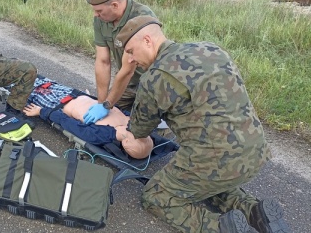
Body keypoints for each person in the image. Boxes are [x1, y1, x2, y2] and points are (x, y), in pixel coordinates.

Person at [114, 15, 290, 233]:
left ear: (148, 41)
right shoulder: (211, 50)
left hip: (216, 159)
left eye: (130, 51)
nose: (129, 60)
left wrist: (123, 132)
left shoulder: (154, 77)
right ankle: (256, 212)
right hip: (255, 151)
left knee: (156, 196)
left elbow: (139, 130)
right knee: (209, 184)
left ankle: (221, 227)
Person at [83, 0, 158, 125]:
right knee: (110, 120)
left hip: (152, 84)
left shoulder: (141, 18)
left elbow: (128, 69)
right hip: (128, 84)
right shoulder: (101, 19)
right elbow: (103, 61)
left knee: (142, 134)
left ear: (115, 6)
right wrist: (102, 102)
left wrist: (107, 105)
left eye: (99, 11)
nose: (95, 15)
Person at [23, 95, 153, 159]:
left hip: (56, 102)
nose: (140, 131)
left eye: (139, 135)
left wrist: (42, 112)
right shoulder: (129, 120)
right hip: (75, 94)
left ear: (126, 142)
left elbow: (67, 123)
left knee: (28, 88)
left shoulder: (98, 134)